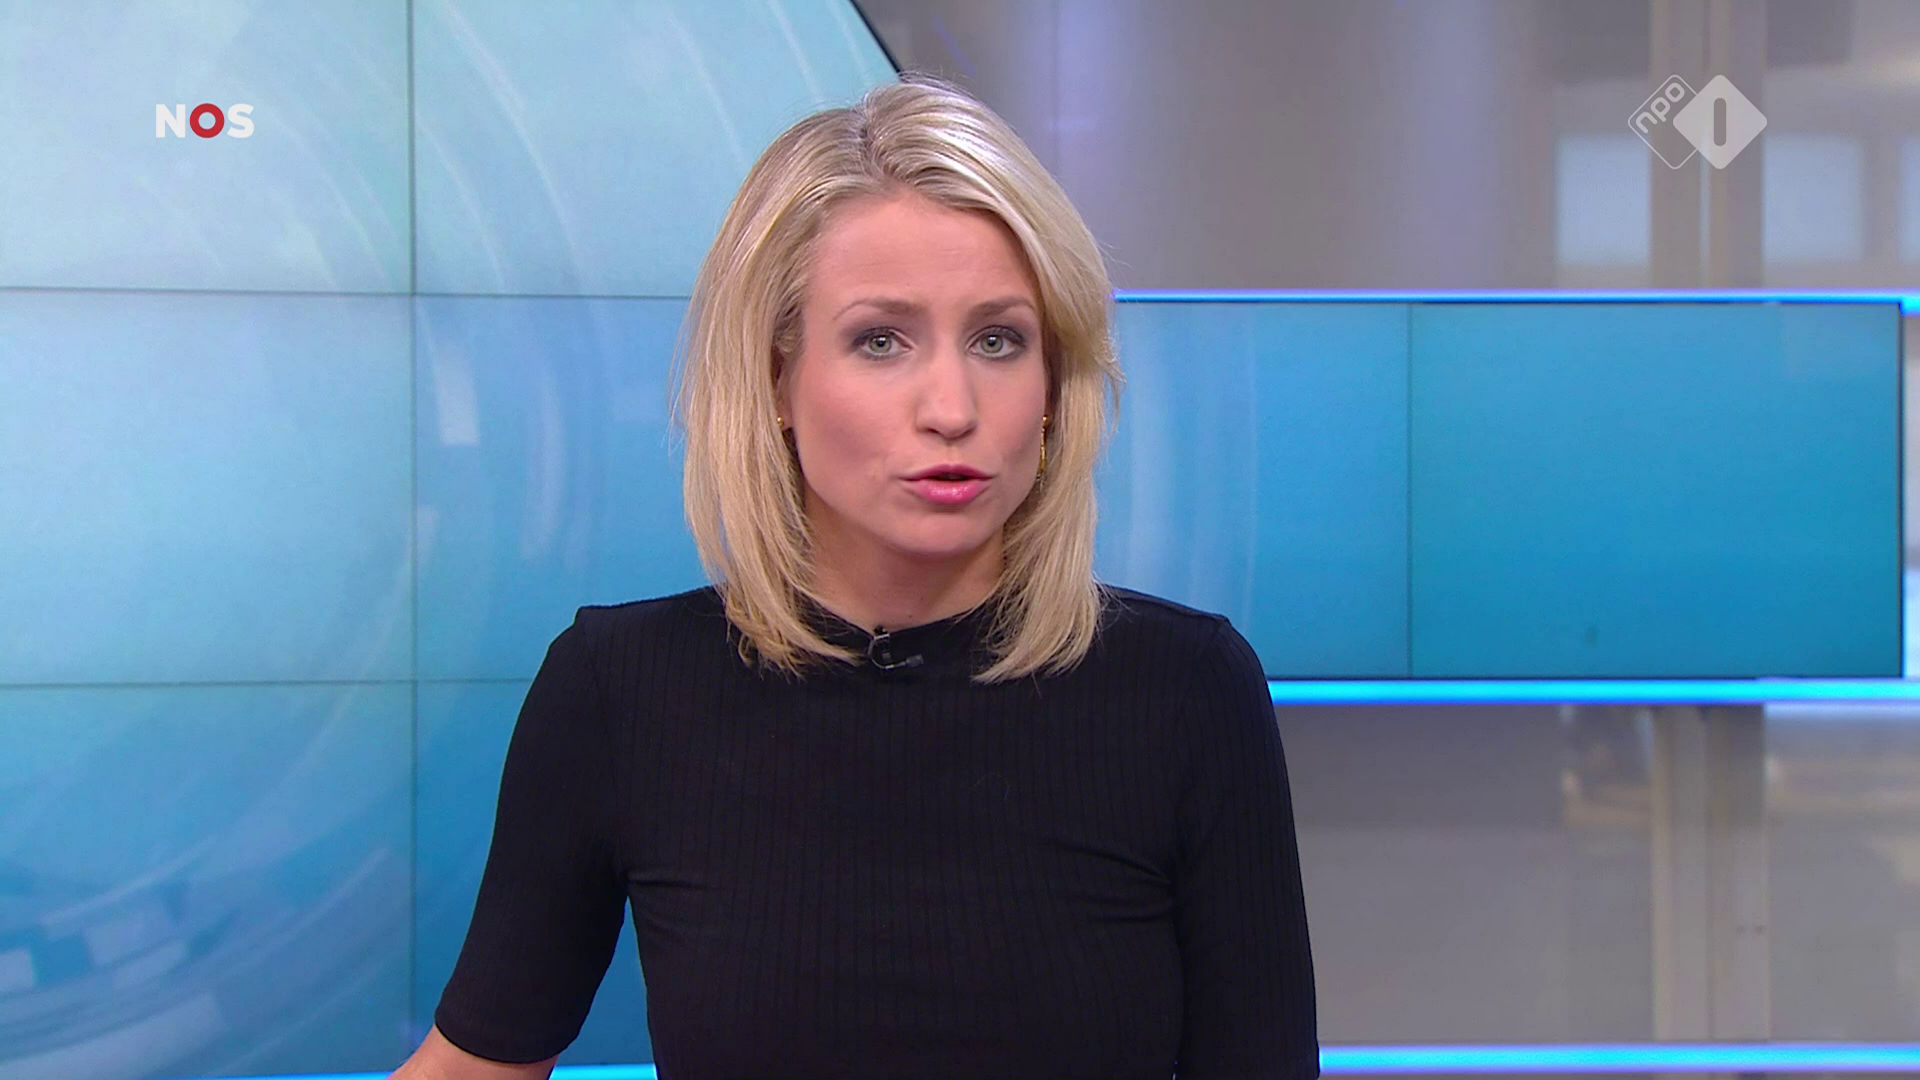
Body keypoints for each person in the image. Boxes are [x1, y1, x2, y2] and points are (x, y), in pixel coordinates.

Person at [392, 73, 1317, 1080]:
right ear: (776, 378)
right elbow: (476, 1065)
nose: (952, 408)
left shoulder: (1186, 692)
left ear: (1055, 385)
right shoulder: (620, 691)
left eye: (1000, 340)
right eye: (881, 340)